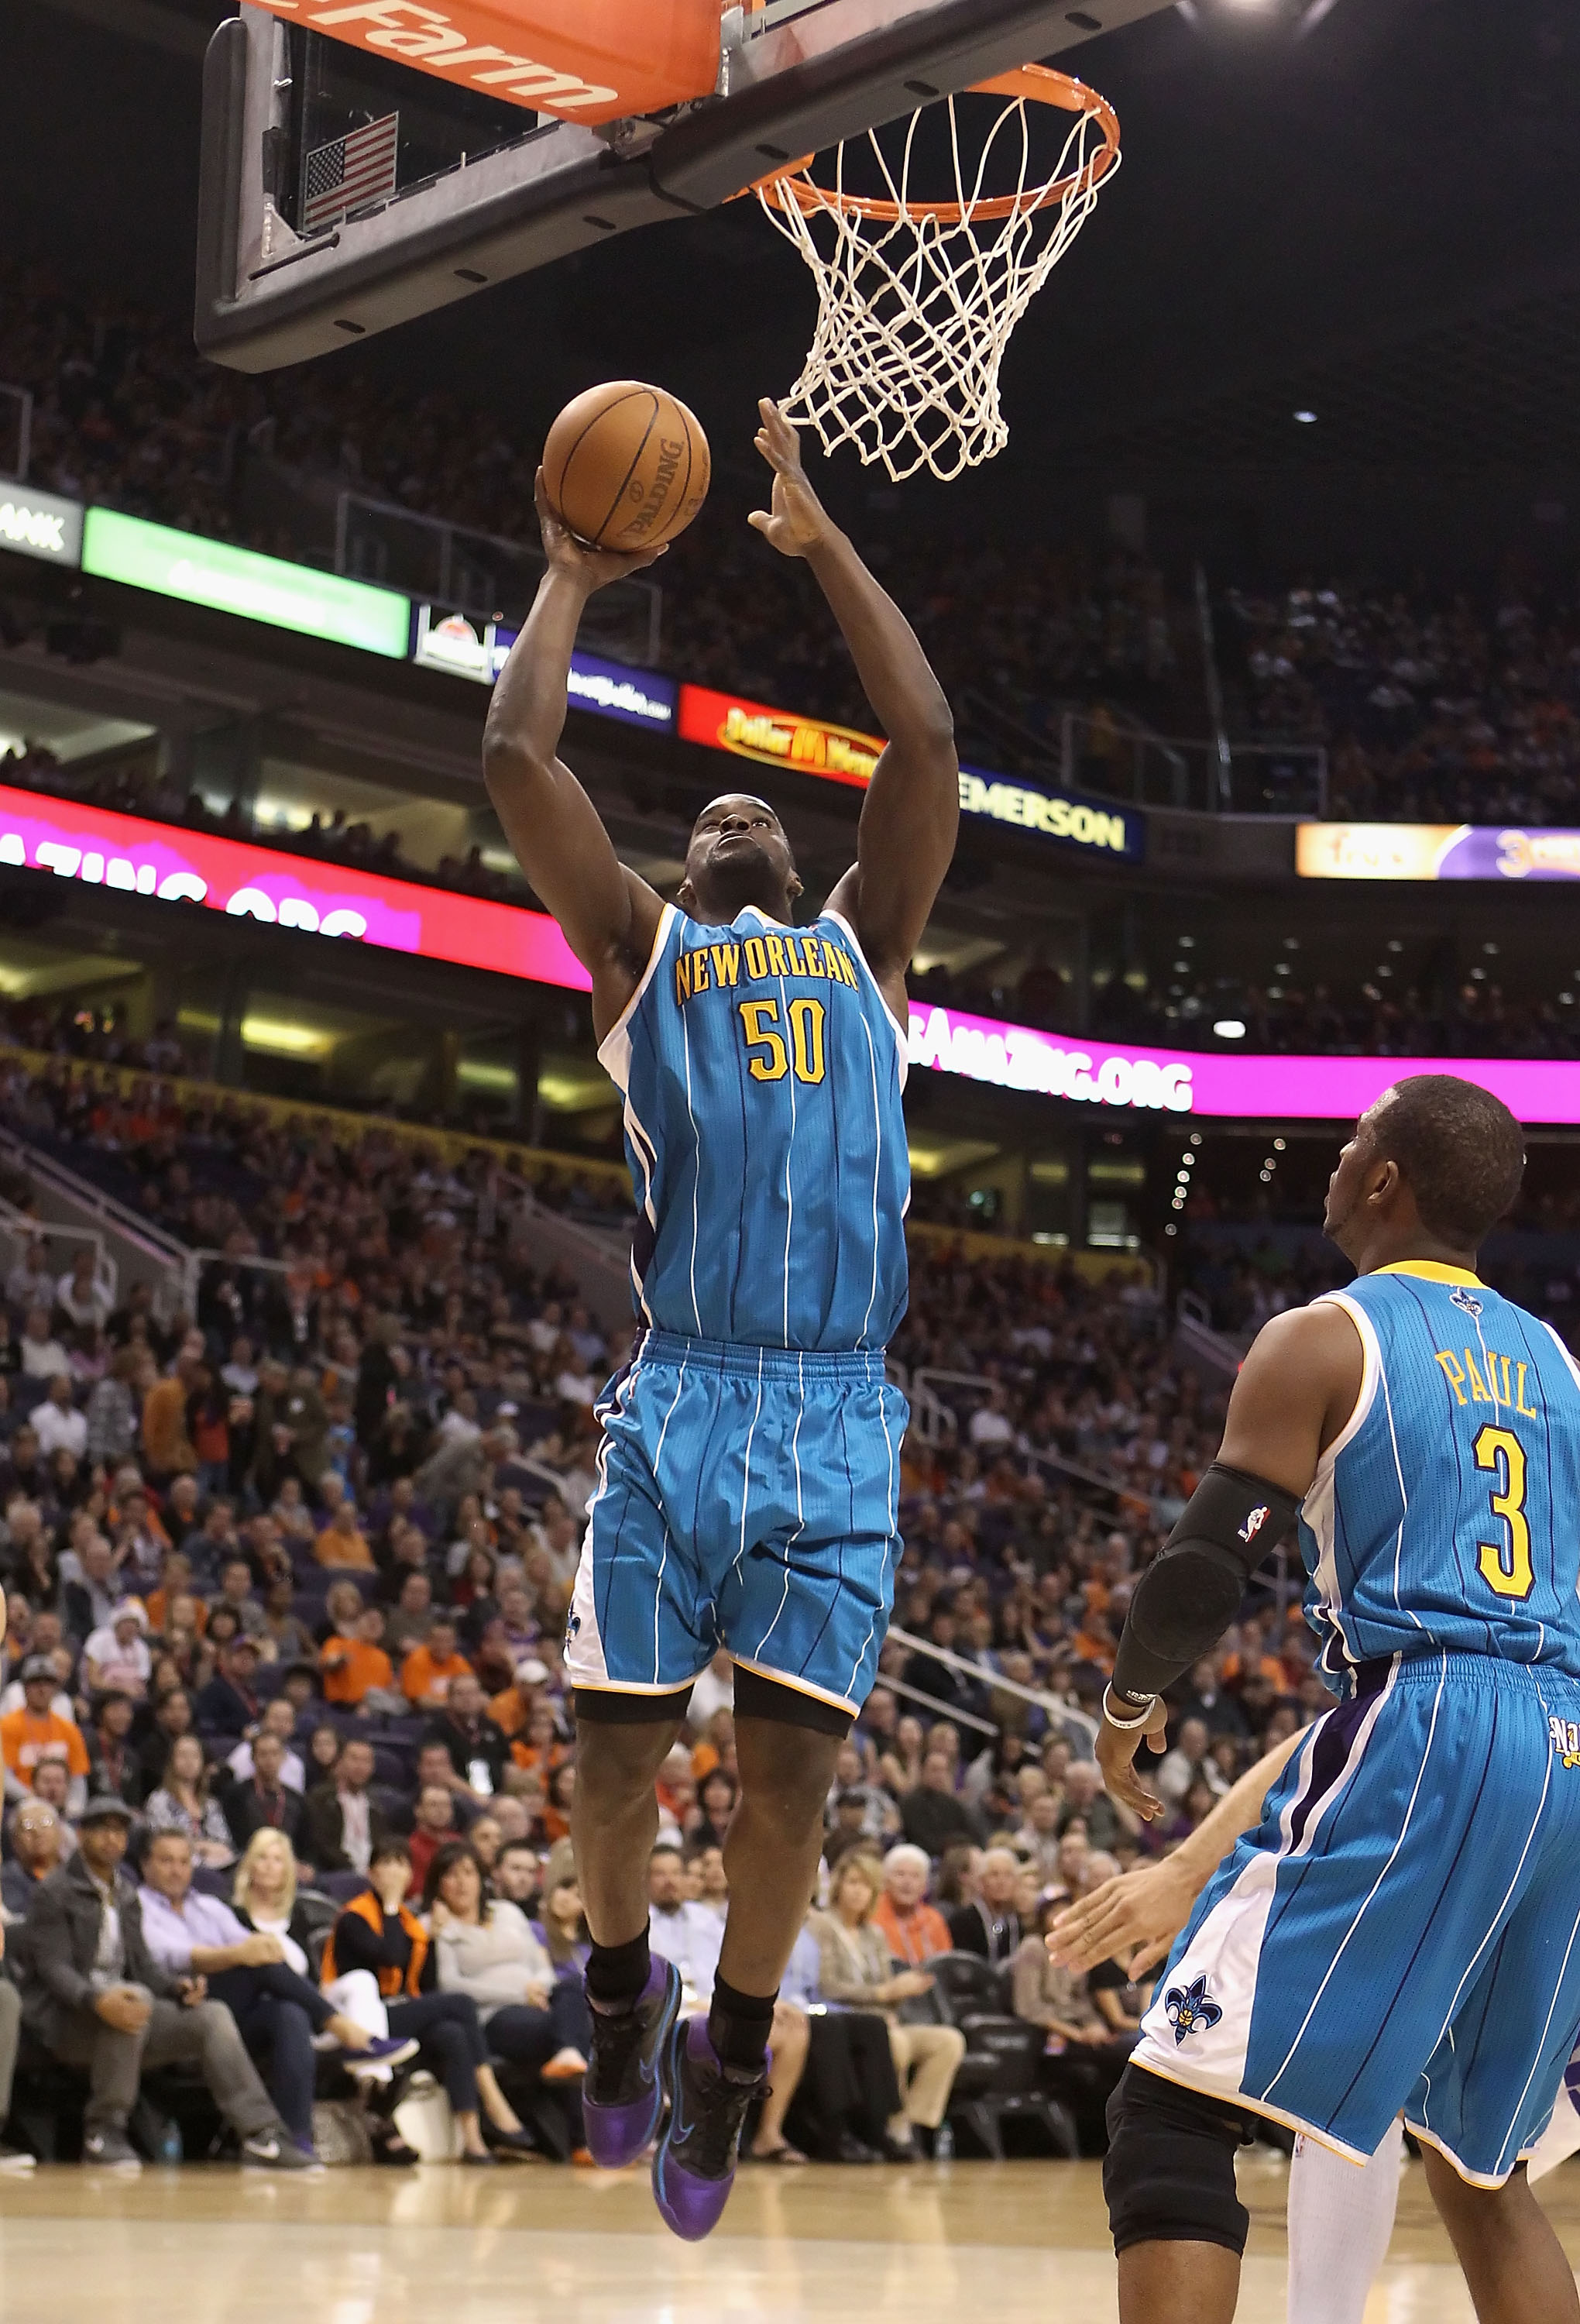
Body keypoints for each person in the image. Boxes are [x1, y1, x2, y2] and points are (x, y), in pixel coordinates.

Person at [483, 397, 957, 2240]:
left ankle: (726, 2054)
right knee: (611, 1758)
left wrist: (816, 536)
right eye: (713, 811)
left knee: (790, 1783)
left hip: (838, 1411)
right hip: (684, 1397)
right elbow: (517, 748)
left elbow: (917, 735)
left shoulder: (869, 947)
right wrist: (565, 572)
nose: (741, 809)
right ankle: (618, 2002)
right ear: (678, 878)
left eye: (766, 802)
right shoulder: (640, 957)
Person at [1091, 1076, 1580, 2324]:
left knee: (1172, 2104)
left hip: (1429, 1715)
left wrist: (1132, 1695)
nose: (1337, 1155)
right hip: (1565, 1740)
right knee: (1481, 2168)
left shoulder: (1327, 1334)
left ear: (1385, 1183)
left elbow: (1206, 1563)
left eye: (1355, 1139)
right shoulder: (1561, 1364)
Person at [16, 1795, 313, 2172]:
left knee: (211, 2015)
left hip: (124, 2018)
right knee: (133, 1999)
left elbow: (142, 1966)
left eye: (119, 1831)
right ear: (80, 1835)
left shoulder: (124, 1894)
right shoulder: (53, 1893)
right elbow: (53, 1970)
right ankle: (103, 2131)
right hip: (63, 2021)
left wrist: (177, 1988)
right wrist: (97, 2000)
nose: (111, 1839)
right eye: (102, 1830)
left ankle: (261, 2134)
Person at [137, 1828, 414, 2154]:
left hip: (232, 2007)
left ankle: (296, 2138)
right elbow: (176, 1955)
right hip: (178, 2003)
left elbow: (252, 1942)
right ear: (145, 1865)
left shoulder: (207, 1907)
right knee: (258, 1965)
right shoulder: (139, 1906)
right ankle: (346, 2031)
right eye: (166, 1861)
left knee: (289, 2013)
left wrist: (256, 1949)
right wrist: (241, 1954)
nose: (177, 1869)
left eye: (184, 1861)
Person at [319, 1838, 537, 2164]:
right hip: (358, 2020)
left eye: (401, 1864)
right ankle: (494, 2100)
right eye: (386, 1864)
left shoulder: (410, 1922)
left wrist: (432, 1940)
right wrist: (392, 1904)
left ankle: (473, 2139)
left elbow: (426, 1984)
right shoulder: (355, 1916)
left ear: (410, 1874)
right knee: (460, 2003)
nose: (394, 1872)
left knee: (453, 2033)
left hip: (398, 2011)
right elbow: (390, 1956)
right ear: (371, 1873)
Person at [424, 1838, 588, 2157]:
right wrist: (519, 1993)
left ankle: (568, 2054)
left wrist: (539, 1987)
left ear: (481, 1878)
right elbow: (450, 1984)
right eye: (451, 1875)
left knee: (573, 1987)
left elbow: (539, 1963)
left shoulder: (508, 1912)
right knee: (581, 2033)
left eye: (468, 1873)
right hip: (494, 2016)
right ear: (438, 1883)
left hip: (538, 2001)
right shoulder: (441, 1927)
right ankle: (585, 2140)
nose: (461, 1883)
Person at [811, 1853, 963, 2157]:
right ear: (838, 1885)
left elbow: (887, 1989)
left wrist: (892, 2004)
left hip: (881, 2018)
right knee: (894, 2043)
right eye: (852, 1882)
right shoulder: (822, 1927)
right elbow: (827, 1986)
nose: (858, 1891)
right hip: (843, 2020)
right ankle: (894, 2129)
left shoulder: (874, 1933)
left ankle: (914, 2122)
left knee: (949, 2041)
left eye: (866, 1885)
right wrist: (884, 1994)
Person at [1, 1653, 90, 1817]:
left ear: (55, 1688)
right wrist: (34, 1801)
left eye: (48, 1683)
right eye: (36, 1683)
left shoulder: (69, 1729)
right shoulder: (7, 1726)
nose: (42, 1689)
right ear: (25, 1688)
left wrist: (73, 1810)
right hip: (20, 1806)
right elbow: (4, 1778)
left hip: (62, 1810)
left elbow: (78, 1780)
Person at [301, 1737, 393, 1875]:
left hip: (373, 1874)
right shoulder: (320, 1799)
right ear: (340, 1762)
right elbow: (322, 1845)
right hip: (336, 1873)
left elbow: (381, 1844)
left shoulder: (376, 1806)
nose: (360, 1766)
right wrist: (353, 1869)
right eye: (354, 1759)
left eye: (366, 1761)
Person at [144, 1732, 234, 1868]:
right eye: (183, 1755)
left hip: (215, 1867)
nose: (189, 1761)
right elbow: (166, 1842)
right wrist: (203, 1846)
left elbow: (224, 1844)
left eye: (195, 1756)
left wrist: (202, 1848)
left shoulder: (210, 1804)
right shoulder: (159, 1801)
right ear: (172, 1761)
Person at [872, 1844, 953, 1967]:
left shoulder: (934, 1919)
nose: (907, 1882)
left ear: (925, 1886)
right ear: (885, 1881)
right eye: (900, 1874)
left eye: (915, 1876)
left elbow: (946, 1966)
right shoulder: (871, 1916)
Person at [946, 1845, 1024, 1964]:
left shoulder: (1018, 1921)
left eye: (1008, 1875)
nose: (1001, 1882)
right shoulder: (962, 1921)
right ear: (981, 1881)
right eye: (994, 1875)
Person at [2, 1796, 64, 1917]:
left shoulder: (77, 1876)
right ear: (14, 1840)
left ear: (60, 1832)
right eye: (27, 1826)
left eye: (45, 1822)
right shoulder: (4, 1880)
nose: (38, 1832)